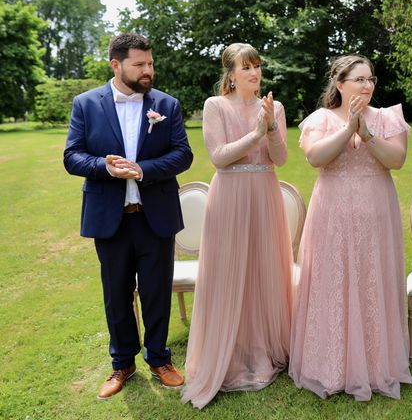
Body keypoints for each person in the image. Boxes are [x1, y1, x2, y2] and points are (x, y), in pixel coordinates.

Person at [63, 33, 193, 400]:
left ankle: (159, 359)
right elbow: (72, 156)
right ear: (116, 64)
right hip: (110, 217)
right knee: (116, 294)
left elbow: (183, 155)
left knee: (156, 293)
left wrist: (142, 169)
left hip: (156, 216)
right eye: (140, 64)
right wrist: (104, 166)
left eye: (150, 63)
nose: (148, 70)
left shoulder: (167, 104)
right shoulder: (86, 104)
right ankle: (122, 363)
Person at [289, 54, 412, 401]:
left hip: (376, 213)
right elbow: (316, 158)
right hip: (331, 215)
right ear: (339, 84)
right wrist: (348, 128)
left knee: (372, 280)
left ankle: (376, 365)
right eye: (359, 79)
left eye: (370, 78)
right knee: (334, 282)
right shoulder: (322, 118)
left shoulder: (388, 117)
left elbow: (397, 160)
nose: (367, 85)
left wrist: (367, 133)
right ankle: (331, 365)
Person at [181, 43, 293, 409]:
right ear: (230, 73)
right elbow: (219, 158)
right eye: (246, 67)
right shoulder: (216, 106)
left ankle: (263, 349)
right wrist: (256, 133)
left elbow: (280, 159)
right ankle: (229, 353)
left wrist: (271, 127)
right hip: (229, 196)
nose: (254, 73)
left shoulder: (273, 107)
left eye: (257, 66)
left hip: (265, 193)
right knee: (230, 273)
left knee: (264, 271)